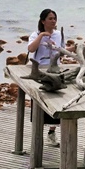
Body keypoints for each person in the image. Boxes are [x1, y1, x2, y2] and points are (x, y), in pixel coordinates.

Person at [27, 8, 62, 146]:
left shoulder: (58, 34)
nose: (53, 21)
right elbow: (31, 49)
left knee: (57, 100)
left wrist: (76, 49)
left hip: (55, 69)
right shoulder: (35, 34)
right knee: (40, 100)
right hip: (40, 70)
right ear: (43, 21)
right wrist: (41, 36)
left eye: (54, 18)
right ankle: (37, 135)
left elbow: (62, 50)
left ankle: (52, 132)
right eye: (50, 19)